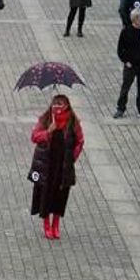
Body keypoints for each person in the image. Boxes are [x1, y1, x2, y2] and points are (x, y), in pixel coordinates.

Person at [30, 94, 84, 240]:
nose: (58, 107)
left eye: (61, 104)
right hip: (47, 165)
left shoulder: (73, 121)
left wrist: (72, 158)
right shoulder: (46, 119)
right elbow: (34, 137)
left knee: (60, 196)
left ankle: (56, 224)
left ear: (67, 105)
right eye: (55, 104)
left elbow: (80, 141)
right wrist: (49, 131)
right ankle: (46, 224)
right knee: (46, 194)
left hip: (63, 165)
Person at [114, 8, 140, 120]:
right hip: (131, 66)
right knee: (125, 87)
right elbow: (120, 49)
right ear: (135, 19)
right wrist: (126, 61)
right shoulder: (126, 31)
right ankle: (120, 108)